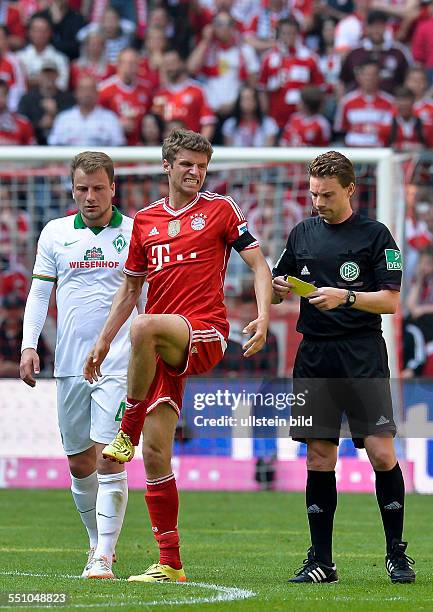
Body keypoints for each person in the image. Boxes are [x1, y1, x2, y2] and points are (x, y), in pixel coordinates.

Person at [84, 128, 272, 583]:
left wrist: (264, 316)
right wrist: (104, 340)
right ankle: (170, 562)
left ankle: (124, 430)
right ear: (166, 166)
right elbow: (130, 289)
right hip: (159, 350)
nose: (195, 172)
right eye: (186, 164)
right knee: (155, 454)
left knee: (146, 324)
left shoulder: (220, 210)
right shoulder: (145, 221)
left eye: (202, 165)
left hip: (204, 332)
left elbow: (259, 265)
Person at [272, 150, 416, 584]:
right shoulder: (301, 234)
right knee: (319, 455)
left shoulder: (376, 236)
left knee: (380, 451)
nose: (318, 202)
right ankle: (321, 561)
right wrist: (277, 289)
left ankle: (396, 553)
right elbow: (279, 285)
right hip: (315, 354)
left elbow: (390, 301)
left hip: (361, 353)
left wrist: (346, 296)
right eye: (313, 194)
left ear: (350, 190)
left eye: (327, 195)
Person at [20, 152, 139, 580]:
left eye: (97, 188)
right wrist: (28, 347)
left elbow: (142, 300)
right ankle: (96, 540)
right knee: (78, 462)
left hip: (119, 363)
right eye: (81, 189)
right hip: (70, 363)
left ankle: (104, 555)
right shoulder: (54, 234)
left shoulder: (134, 232)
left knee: (110, 457)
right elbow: (38, 295)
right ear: (73, 190)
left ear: (113, 188)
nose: (90, 197)